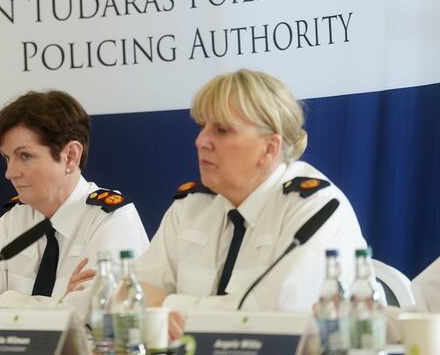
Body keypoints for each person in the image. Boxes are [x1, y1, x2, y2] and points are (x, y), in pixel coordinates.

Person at [134, 69, 367, 339]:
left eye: (221, 130)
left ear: (269, 148)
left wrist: (167, 304)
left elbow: (278, 320)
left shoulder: (316, 209)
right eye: (201, 127)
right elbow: (131, 296)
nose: (200, 141)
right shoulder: (190, 206)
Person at [0, 90, 149, 329]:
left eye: (25, 156)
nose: (10, 173)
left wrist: (2, 302)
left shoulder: (112, 220)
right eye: (7, 158)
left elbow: (88, 320)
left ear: (70, 156)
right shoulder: (13, 221)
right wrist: (58, 304)